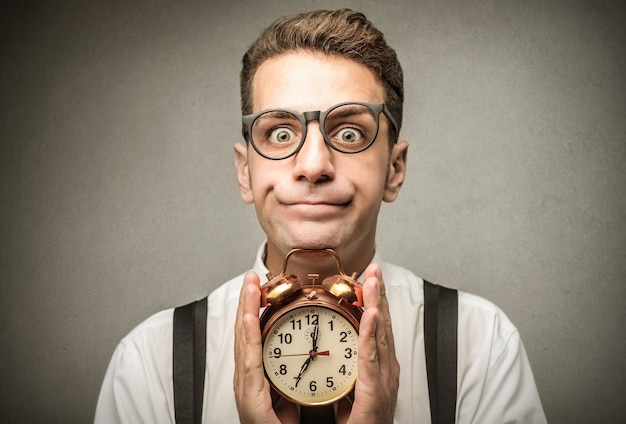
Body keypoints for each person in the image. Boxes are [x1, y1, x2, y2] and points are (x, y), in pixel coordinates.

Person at [95, 9, 546, 424]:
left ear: (394, 169)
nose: (313, 165)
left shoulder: (480, 347)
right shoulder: (151, 365)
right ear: (245, 171)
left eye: (349, 132)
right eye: (279, 131)